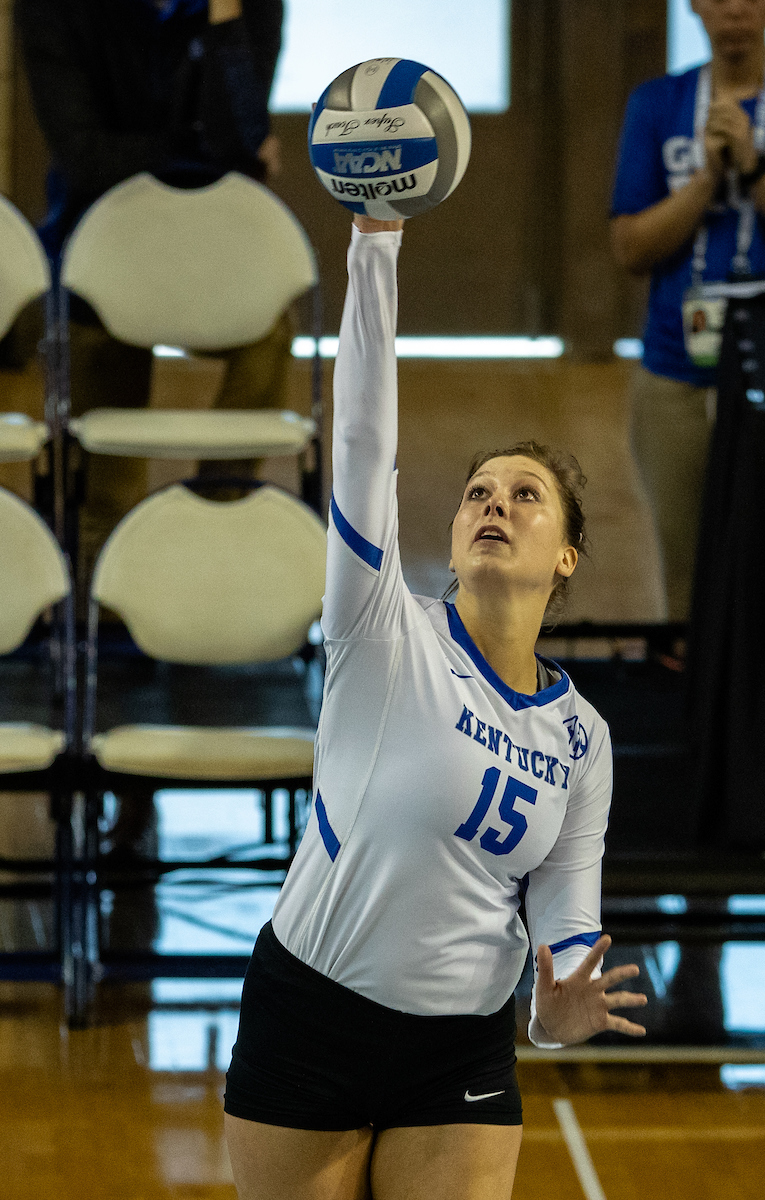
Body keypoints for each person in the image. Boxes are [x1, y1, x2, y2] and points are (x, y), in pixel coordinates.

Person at [223, 214, 647, 1200]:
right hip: (310, 1017)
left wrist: (558, 1005)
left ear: (566, 556)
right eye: (475, 494)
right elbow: (363, 436)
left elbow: (562, 910)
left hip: (457, 1050)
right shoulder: (381, 626)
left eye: (524, 496)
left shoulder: (582, 737)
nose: (492, 504)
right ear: (452, 538)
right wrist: (375, 242)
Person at [15, 0, 290, 582]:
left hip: (209, 246)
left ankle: (208, 528)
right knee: (103, 514)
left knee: (267, 332)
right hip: (98, 251)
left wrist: (225, 26)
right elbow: (85, 157)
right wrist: (205, 151)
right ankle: (107, 589)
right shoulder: (52, 11)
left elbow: (241, 132)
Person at [610, 0, 765, 630]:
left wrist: (754, 164)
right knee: (687, 568)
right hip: (675, 369)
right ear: (693, 6)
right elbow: (630, 247)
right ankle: (691, 710)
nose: (734, 9)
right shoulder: (657, 104)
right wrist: (706, 178)